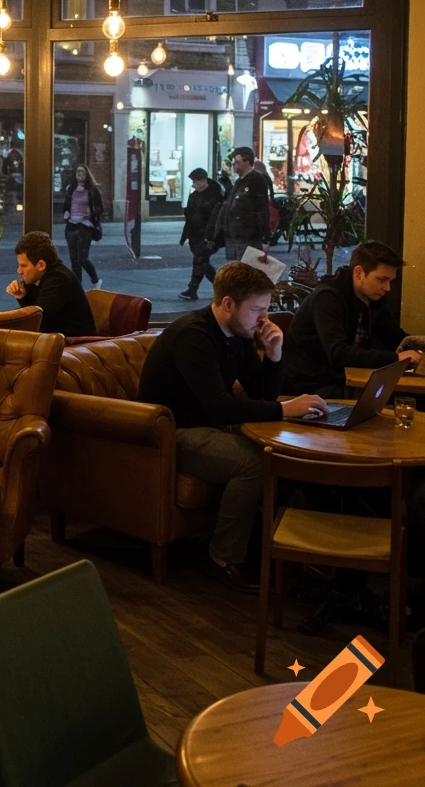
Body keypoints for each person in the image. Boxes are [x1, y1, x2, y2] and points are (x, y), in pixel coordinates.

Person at [137, 261, 328, 591]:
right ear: (228, 304)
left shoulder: (238, 333)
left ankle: (286, 551)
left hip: (209, 424)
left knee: (291, 449)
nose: (263, 318)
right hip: (173, 432)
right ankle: (223, 560)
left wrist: (274, 354)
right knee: (253, 464)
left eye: (266, 309)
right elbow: (220, 406)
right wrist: (286, 408)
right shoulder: (193, 336)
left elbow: (259, 394)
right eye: (257, 309)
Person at [282, 240, 421, 398]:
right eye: (381, 280)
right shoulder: (327, 298)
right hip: (310, 388)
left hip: (343, 379)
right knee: (403, 399)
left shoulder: (373, 298)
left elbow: (394, 336)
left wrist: (417, 347)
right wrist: (396, 358)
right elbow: (338, 353)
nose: (387, 288)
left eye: (390, 281)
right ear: (359, 273)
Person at [6, 231, 96, 337]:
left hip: (76, 346)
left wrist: (0, 321)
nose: (19, 271)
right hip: (56, 341)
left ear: (41, 265)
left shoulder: (59, 279)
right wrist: (22, 296)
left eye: (24, 266)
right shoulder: (39, 277)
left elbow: (37, 320)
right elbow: (35, 314)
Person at [213, 146, 271, 261]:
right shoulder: (239, 181)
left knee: (246, 273)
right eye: (234, 162)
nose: (234, 165)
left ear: (247, 162)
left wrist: (265, 238)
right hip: (233, 236)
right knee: (234, 272)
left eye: (237, 162)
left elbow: (262, 210)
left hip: (247, 237)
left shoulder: (256, 181)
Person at [178, 167, 223, 301]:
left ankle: (192, 290)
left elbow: (216, 218)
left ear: (203, 181)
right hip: (194, 234)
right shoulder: (194, 196)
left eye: (196, 181)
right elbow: (189, 217)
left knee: (199, 260)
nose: (193, 184)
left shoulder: (214, 196)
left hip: (208, 235)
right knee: (203, 263)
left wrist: (212, 237)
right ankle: (221, 287)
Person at [61, 163, 103, 288]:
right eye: (78, 172)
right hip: (71, 226)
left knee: (82, 258)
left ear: (87, 175)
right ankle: (77, 288)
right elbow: (66, 205)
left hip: (85, 226)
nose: (80, 174)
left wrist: (92, 213)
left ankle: (95, 279)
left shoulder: (92, 190)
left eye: (83, 172)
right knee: (74, 259)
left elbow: (100, 208)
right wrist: (66, 213)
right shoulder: (70, 189)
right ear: (75, 175)